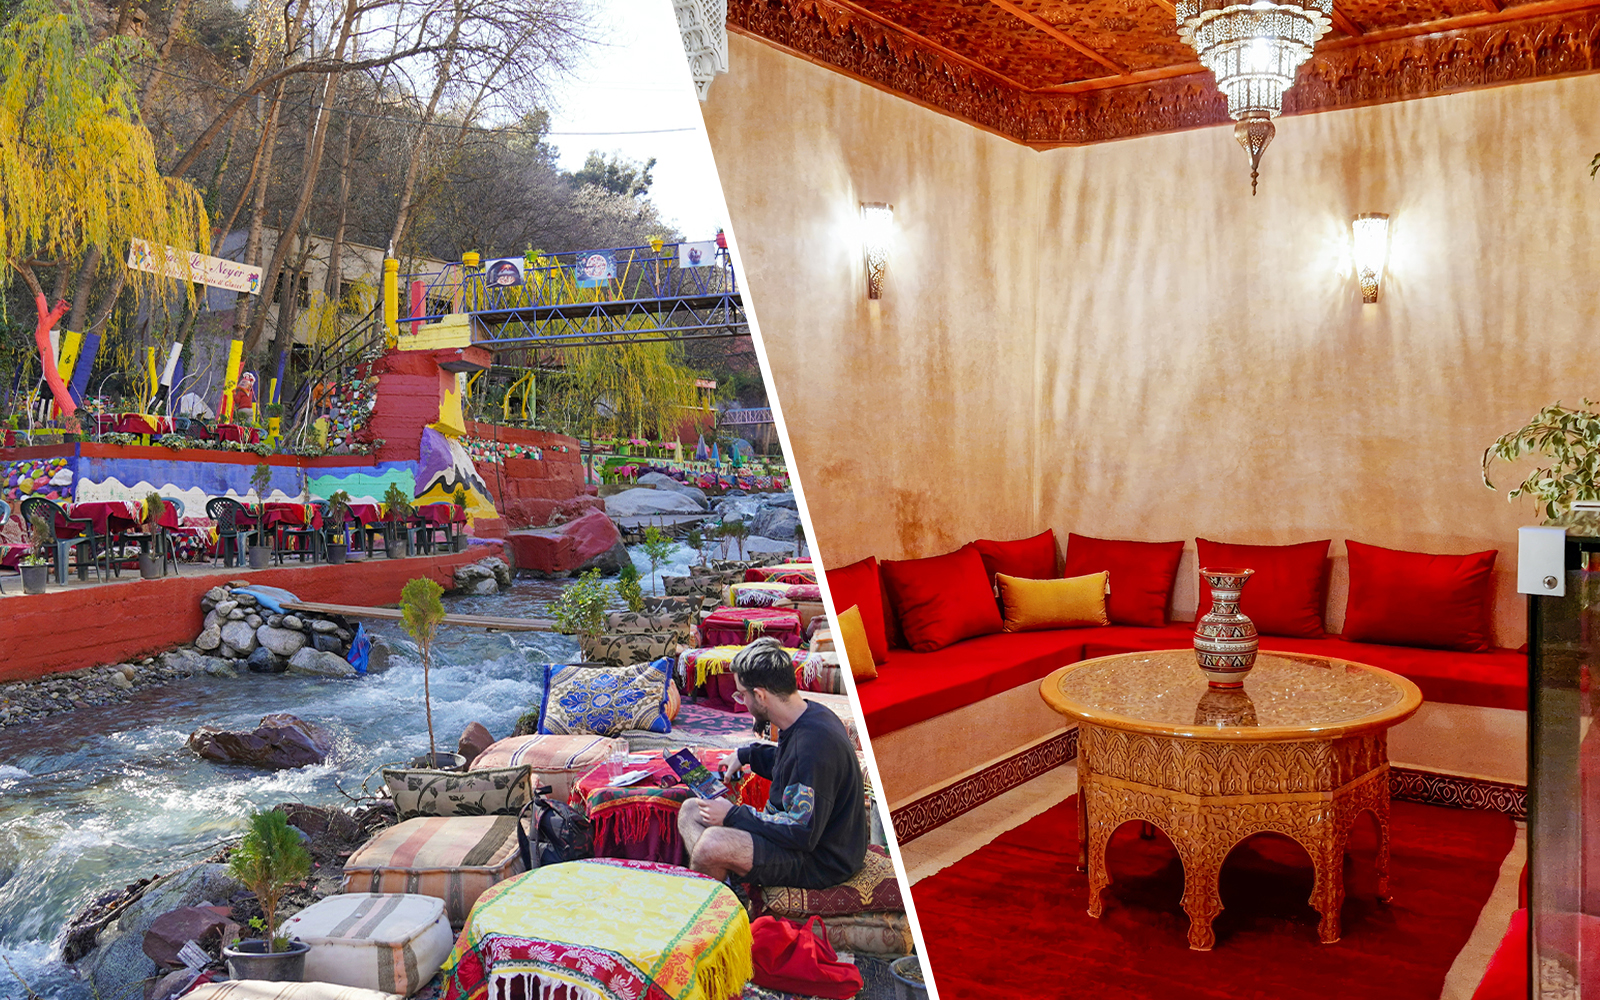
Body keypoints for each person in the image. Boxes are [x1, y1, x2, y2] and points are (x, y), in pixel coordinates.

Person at [677, 637, 867, 889]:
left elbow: (801, 832)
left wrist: (732, 815)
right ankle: (726, 886)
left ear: (760, 695)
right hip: (799, 837)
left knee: (710, 845)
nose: (741, 701)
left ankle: (716, 903)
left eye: (742, 694)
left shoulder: (813, 747)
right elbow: (788, 763)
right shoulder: (808, 715)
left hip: (821, 860)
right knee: (691, 811)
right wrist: (746, 755)